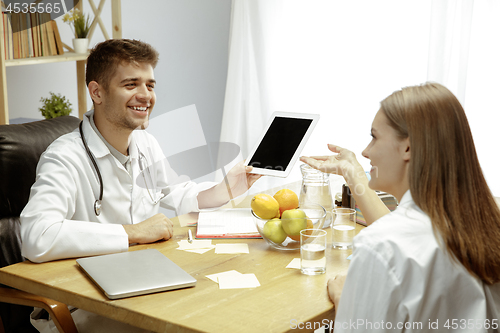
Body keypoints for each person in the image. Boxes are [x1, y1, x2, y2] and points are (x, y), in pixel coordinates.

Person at [21, 39, 260, 332]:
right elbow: (36, 236)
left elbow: (177, 192)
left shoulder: (145, 143)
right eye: (131, 84)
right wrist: (133, 233)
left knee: (229, 310)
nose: (145, 95)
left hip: (142, 283)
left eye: (150, 85)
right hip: (84, 303)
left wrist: (225, 189)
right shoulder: (64, 157)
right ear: (97, 91)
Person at [301, 82, 500, 332]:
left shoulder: (382, 246)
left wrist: (346, 301)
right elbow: (401, 233)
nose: (365, 151)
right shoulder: (485, 225)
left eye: (374, 137)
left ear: (408, 147)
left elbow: (390, 244)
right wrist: (352, 173)